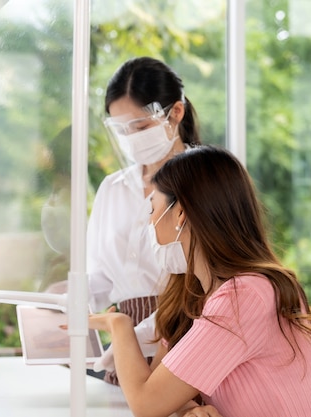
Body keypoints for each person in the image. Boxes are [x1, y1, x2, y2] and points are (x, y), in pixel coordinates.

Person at [87, 145, 311, 417]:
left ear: (180, 213)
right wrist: (187, 407)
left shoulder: (245, 296)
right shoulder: (198, 295)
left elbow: (146, 404)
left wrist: (118, 324)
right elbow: (160, 388)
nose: (149, 223)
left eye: (152, 209)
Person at [86, 56, 201, 384]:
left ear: (175, 112)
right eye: (121, 130)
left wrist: (137, 335)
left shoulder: (206, 183)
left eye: (140, 127)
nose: (131, 138)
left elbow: (208, 288)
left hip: (186, 342)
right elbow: (102, 278)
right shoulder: (112, 188)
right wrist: (67, 300)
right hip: (123, 351)